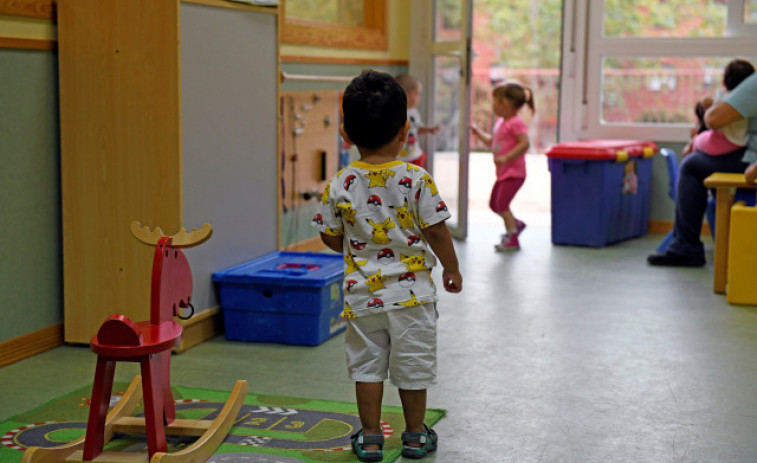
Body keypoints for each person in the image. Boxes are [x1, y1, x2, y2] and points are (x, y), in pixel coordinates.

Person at [312, 70, 463, 462]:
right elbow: (437, 232)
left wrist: (353, 240)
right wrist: (451, 268)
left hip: (363, 298)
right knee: (412, 368)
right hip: (412, 298)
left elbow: (330, 237)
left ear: (346, 134)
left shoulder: (340, 183)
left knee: (367, 369)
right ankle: (414, 435)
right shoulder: (416, 178)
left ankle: (371, 437)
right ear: (404, 130)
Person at [648, 70, 757, 266]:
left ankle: (686, 247)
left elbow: (714, 119)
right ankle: (716, 242)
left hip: (751, 160)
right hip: (747, 157)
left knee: (692, 165)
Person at [469, 82, 534, 251]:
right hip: (503, 173)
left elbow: (525, 143)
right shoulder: (501, 122)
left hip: (514, 173)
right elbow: (492, 141)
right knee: (494, 204)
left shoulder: (516, 122)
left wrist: (506, 157)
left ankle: (512, 237)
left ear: (505, 104)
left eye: (495, 101)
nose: (493, 105)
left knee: (502, 204)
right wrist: (477, 132)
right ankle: (515, 224)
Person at [683, 59, 754, 157]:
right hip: (740, 143)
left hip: (724, 143)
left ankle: (694, 148)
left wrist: (694, 140)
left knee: (697, 142)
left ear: (724, 83)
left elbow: (707, 107)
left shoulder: (724, 99)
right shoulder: (749, 100)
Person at [395, 74, 440, 169]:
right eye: (416, 94)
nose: (419, 98)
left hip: (415, 155)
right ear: (404, 94)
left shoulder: (414, 112)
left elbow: (416, 129)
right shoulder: (394, 113)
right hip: (398, 159)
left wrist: (428, 129)